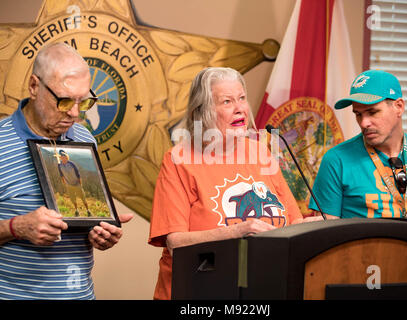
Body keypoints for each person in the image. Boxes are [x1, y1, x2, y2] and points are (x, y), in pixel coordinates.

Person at [148, 67, 305, 300]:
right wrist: (238, 231)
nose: (240, 108)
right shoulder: (178, 160)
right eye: (227, 102)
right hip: (196, 292)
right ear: (202, 112)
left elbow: (295, 221)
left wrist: (310, 227)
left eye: (242, 98)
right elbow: (176, 243)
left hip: (259, 290)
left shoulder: (260, 152)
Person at [0, 42, 133, 299]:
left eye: (84, 102)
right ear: (34, 86)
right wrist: (16, 227)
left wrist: (101, 232)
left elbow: (85, 222)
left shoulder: (85, 140)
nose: (74, 114)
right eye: (64, 101)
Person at [309, 69, 407, 229]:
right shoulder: (336, 160)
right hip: (360, 253)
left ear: (399, 107)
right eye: (358, 114)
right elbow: (326, 234)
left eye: (372, 112)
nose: (364, 123)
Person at [58, 149, 91, 217]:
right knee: (73, 199)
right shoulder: (59, 165)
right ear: (60, 157)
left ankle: (88, 211)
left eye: (64, 156)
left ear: (66, 156)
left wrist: (80, 184)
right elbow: (61, 175)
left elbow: (78, 174)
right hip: (69, 185)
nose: (63, 157)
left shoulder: (72, 164)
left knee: (83, 198)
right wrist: (65, 184)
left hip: (77, 184)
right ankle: (76, 211)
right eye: (61, 156)